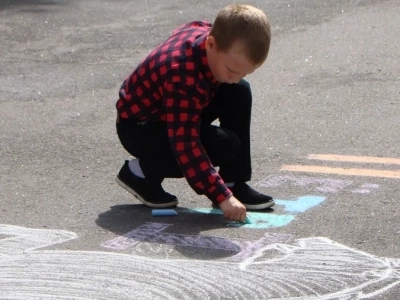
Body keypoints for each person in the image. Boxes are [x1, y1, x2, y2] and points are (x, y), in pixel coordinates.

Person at [115, 4, 274, 222]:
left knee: (239, 90)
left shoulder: (212, 36)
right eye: (232, 70)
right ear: (211, 44)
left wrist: (225, 191)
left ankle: (232, 181)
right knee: (223, 145)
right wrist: (221, 197)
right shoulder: (182, 77)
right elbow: (186, 144)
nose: (236, 76)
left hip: (170, 111)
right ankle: (140, 172)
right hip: (140, 127)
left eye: (245, 72)